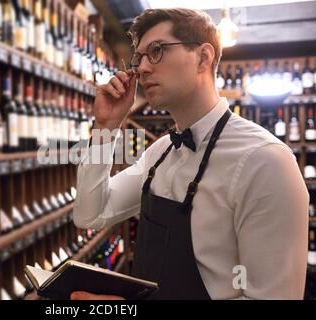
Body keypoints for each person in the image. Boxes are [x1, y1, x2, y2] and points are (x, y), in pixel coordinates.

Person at [71, 8, 309, 300]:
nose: (143, 68)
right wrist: (106, 127)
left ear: (203, 57)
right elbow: (89, 214)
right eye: (140, 57)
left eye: (156, 51)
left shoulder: (265, 161)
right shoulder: (160, 152)